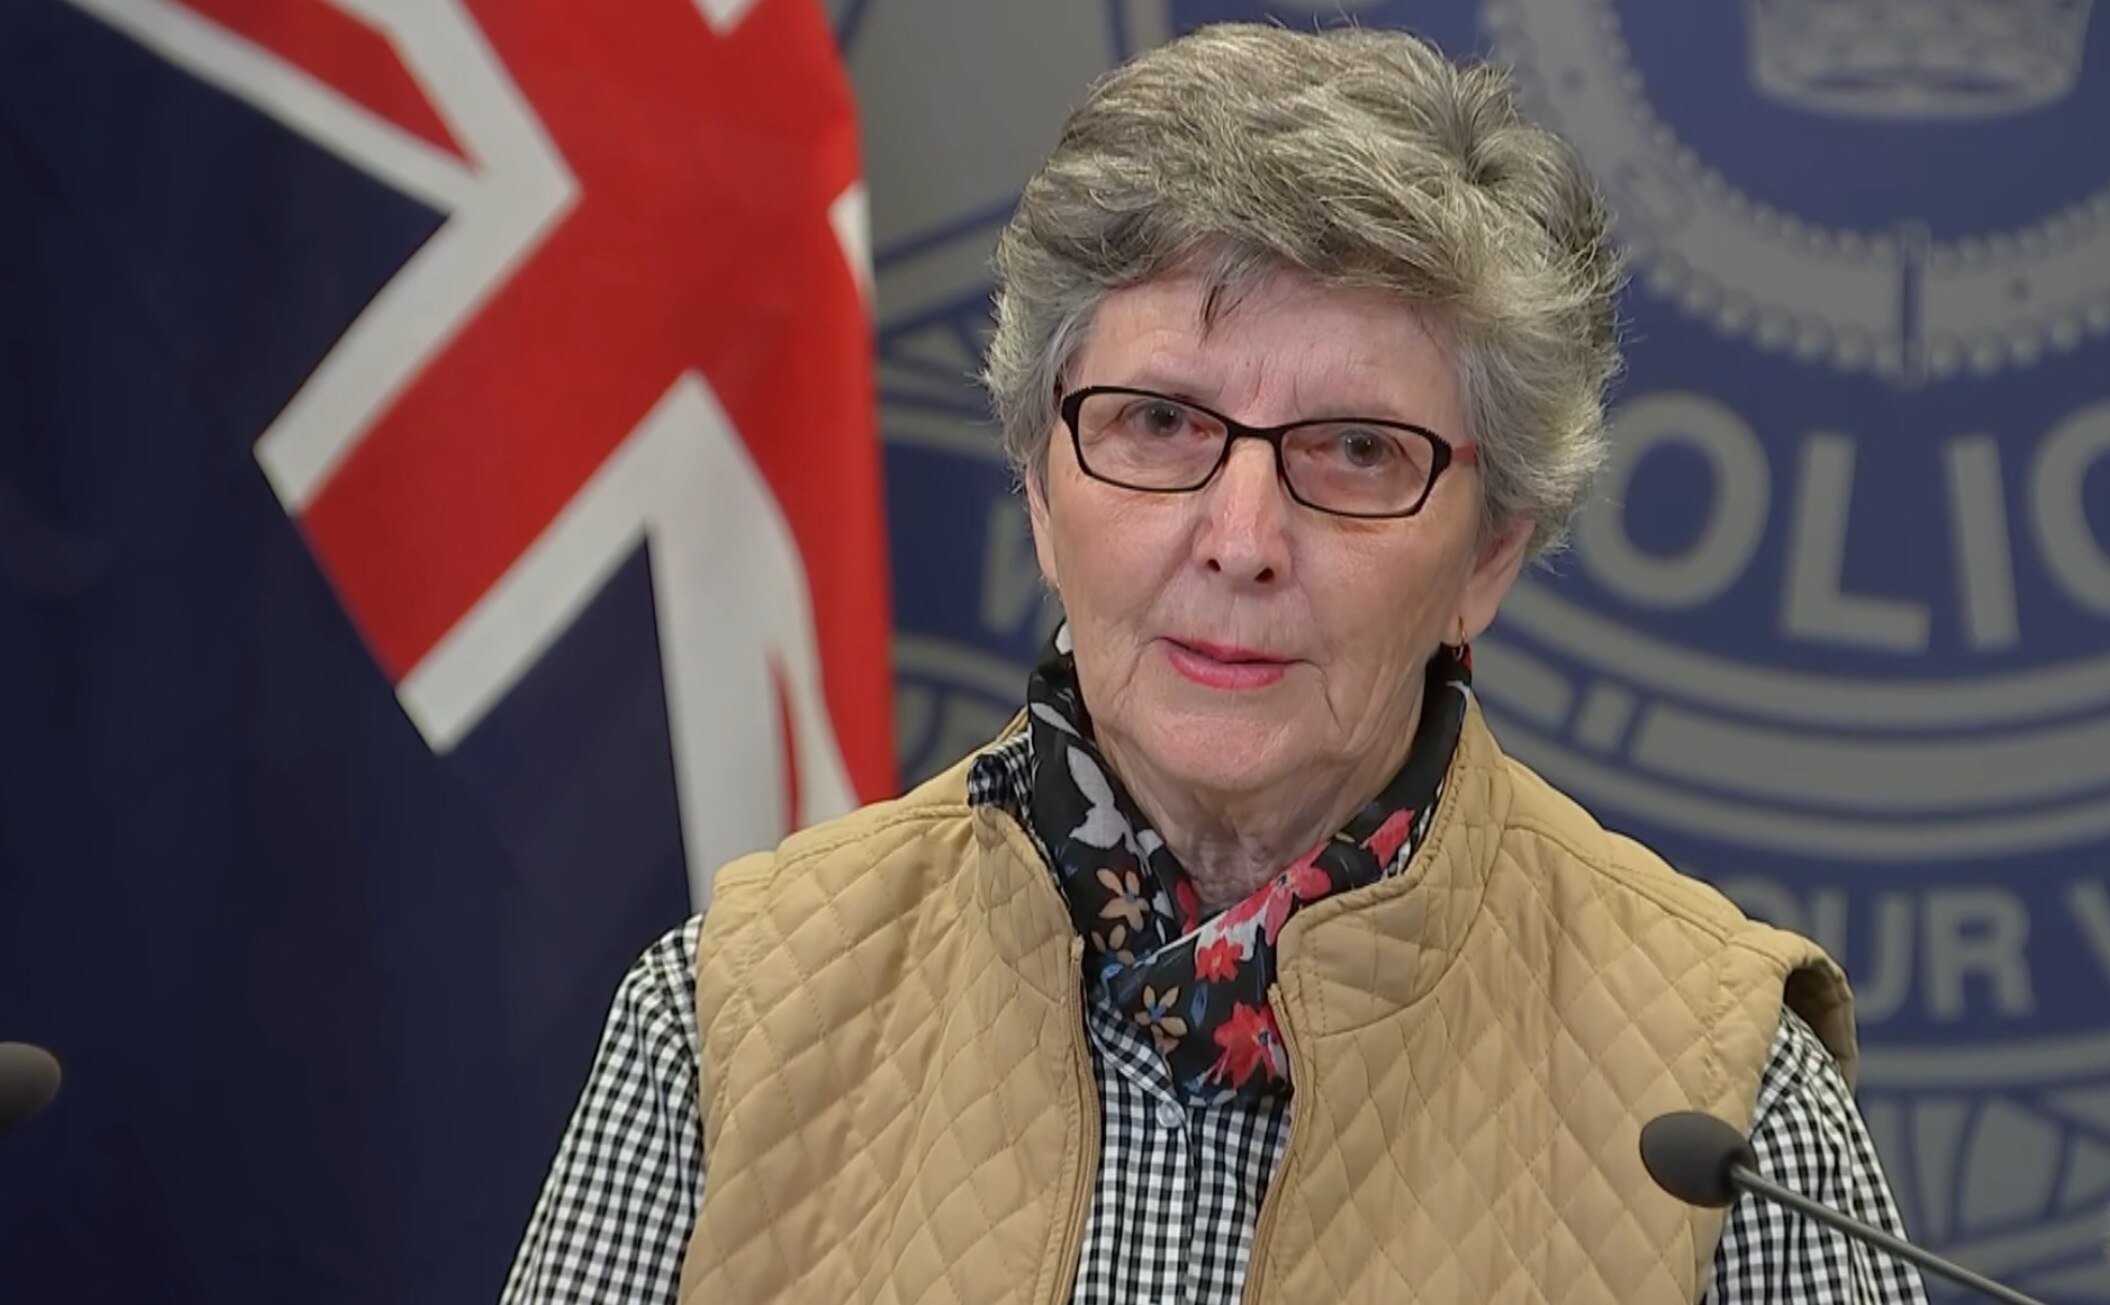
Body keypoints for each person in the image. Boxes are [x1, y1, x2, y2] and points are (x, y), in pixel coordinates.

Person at [502, 22, 1926, 1305]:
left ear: (1487, 554)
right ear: (1039, 481)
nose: (1239, 538)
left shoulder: (1722, 1093)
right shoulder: (731, 1016)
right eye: (1159, 424)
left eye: (1356, 450)